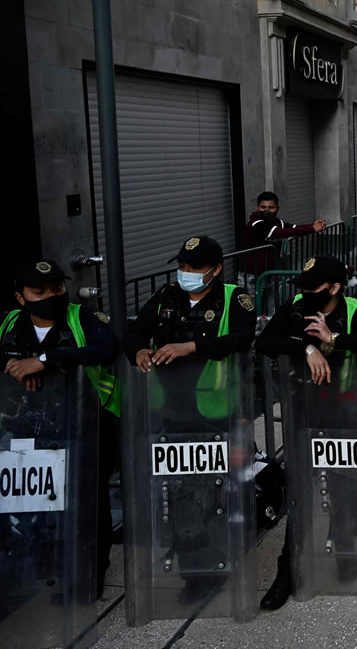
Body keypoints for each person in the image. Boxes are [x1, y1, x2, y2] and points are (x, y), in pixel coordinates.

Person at [120, 235, 257, 602]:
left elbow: (241, 339)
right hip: (170, 412)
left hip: (217, 412)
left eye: (194, 268)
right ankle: (197, 571)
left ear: (216, 269)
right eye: (181, 267)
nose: (186, 274)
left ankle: (220, 557)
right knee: (183, 494)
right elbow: (132, 333)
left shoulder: (234, 298)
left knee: (218, 491)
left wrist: (191, 346)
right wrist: (138, 352)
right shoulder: (166, 298)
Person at [0, 259, 120, 597]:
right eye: (39, 291)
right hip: (24, 426)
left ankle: (90, 572)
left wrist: (44, 361)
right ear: (20, 297)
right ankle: (42, 566)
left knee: (87, 501)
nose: (51, 296)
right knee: (38, 501)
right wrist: (10, 365)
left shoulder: (83, 317)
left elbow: (105, 349)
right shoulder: (7, 324)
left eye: (56, 288)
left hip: (85, 424)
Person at [256, 254, 357, 610]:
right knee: (301, 492)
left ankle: (345, 546)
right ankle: (287, 572)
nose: (303, 293)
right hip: (307, 414)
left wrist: (333, 339)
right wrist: (309, 347)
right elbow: (266, 342)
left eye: (312, 287)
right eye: (301, 287)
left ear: (333, 288)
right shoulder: (297, 308)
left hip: (351, 417)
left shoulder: (356, 310)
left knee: (347, 488)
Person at [241, 191, 328, 287]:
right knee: (253, 302)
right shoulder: (256, 223)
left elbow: (294, 228)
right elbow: (280, 233)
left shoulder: (277, 222)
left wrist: (314, 225)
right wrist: (312, 228)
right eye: (263, 207)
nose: (266, 211)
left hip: (270, 274)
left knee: (272, 301)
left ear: (277, 209)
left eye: (271, 208)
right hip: (252, 276)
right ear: (257, 207)